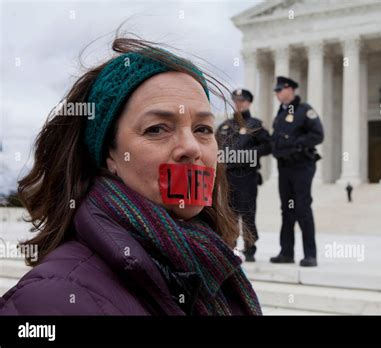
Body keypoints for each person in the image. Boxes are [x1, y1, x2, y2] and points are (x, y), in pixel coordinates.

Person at [0, 37, 262, 315]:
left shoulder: (215, 265)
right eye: (156, 129)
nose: (191, 148)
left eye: (203, 129)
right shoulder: (50, 300)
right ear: (109, 155)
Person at [269, 76, 324, 267]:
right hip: (284, 167)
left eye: (280, 90)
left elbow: (318, 134)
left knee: (302, 207)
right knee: (287, 210)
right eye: (276, 91)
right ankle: (286, 252)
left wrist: (297, 145)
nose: (277, 94)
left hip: (301, 166)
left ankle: (310, 254)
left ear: (291, 90)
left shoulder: (304, 110)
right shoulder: (280, 115)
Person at [217, 89, 271, 262]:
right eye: (236, 100)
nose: (238, 103)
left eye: (242, 100)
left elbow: (268, 146)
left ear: (249, 103)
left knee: (247, 213)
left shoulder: (255, 125)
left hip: (246, 176)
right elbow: (215, 146)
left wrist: (250, 154)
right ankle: (229, 246)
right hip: (227, 177)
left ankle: (250, 247)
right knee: (228, 213)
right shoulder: (226, 125)